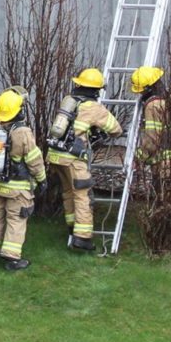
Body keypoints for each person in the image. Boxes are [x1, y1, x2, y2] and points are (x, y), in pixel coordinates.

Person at [45, 68, 122, 252]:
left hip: (56, 156)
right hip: (73, 159)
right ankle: (83, 239)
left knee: (68, 192)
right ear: (96, 90)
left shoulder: (70, 101)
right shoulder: (93, 107)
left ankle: (72, 229)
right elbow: (115, 129)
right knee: (83, 196)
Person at [0, 87, 46, 270]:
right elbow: (34, 160)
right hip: (16, 189)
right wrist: (42, 180)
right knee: (16, 220)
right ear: (19, 111)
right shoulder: (22, 133)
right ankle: (11, 258)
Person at [130, 66, 171, 170]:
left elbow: (152, 140)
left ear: (147, 89)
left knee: (162, 185)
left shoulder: (153, 106)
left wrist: (139, 157)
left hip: (162, 162)